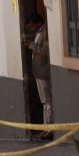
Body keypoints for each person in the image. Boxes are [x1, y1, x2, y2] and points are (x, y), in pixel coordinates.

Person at [23, 12, 52, 140]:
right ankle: (46, 128)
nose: (32, 29)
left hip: (44, 73)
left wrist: (32, 46)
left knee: (48, 102)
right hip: (39, 73)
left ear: (38, 23)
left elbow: (45, 51)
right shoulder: (40, 32)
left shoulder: (45, 32)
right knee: (44, 102)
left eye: (32, 26)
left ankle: (50, 128)